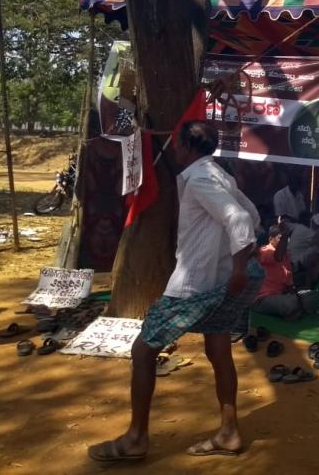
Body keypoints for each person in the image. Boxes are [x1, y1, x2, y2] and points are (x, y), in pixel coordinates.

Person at [88, 121, 264, 463]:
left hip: (193, 285)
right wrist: (232, 263)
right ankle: (228, 431)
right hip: (218, 281)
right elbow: (253, 214)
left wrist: (240, 267)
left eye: (175, 145)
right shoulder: (219, 175)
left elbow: (241, 220)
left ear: (185, 147)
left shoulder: (199, 178)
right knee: (218, 349)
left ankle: (137, 438)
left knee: (142, 351)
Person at [252, 223, 301, 320]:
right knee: (290, 303)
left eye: (287, 238)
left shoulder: (286, 256)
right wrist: (285, 233)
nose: (287, 240)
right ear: (271, 239)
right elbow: (277, 257)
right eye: (281, 238)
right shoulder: (264, 251)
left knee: (310, 297)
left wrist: (297, 295)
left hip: (281, 295)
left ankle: (295, 309)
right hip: (263, 299)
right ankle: (293, 310)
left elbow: (290, 284)